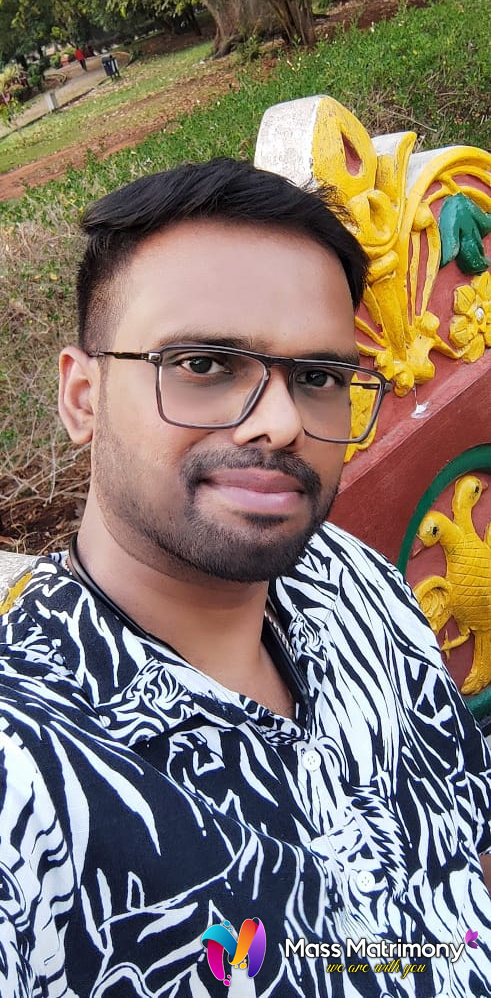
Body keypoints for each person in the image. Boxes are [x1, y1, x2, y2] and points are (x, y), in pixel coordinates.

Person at [0, 158, 490, 998]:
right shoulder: (28, 777)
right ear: (82, 397)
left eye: (319, 378)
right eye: (204, 364)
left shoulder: (352, 583)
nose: (281, 422)